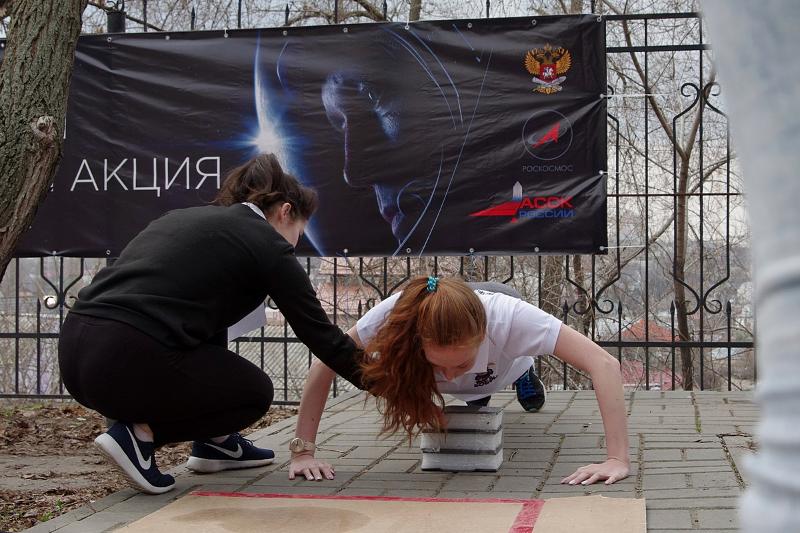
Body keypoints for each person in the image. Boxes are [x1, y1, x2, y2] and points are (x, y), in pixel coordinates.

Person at [57, 153, 364, 495]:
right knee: (254, 393)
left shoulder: (185, 219)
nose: (294, 244)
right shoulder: (268, 244)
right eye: (299, 233)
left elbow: (205, 325)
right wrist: (389, 382)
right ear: (285, 211)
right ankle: (137, 436)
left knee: (214, 357)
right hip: (126, 356)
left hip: (74, 354)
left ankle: (216, 444)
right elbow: (321, 336)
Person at [288, 276, 630, 486]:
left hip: (503, 366)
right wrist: (302, 453)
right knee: (470, 393)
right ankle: (473, 392)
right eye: (439, 365)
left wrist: (617, 459)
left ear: (485, 335)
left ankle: (524, 375)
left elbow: (604, 364)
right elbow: (324, 362)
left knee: (495, 368)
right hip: (459, 349)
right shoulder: (396, 317)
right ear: (417, 340)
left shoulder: (511, 319)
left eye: (462, 363)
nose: (451, 375)